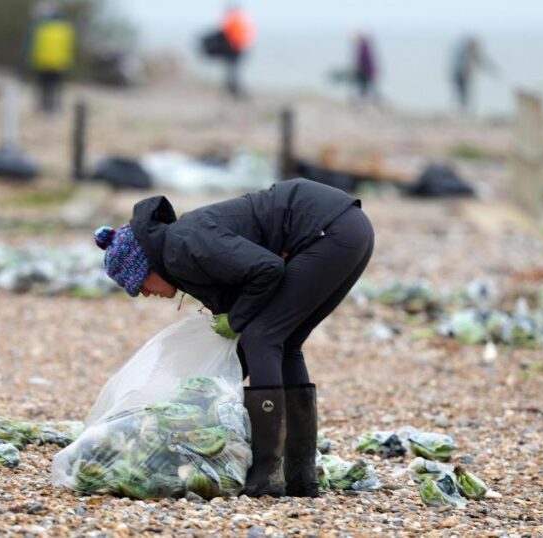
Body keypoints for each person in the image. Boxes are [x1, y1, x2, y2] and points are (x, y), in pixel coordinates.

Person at [94, 178, 374, 498]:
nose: (143, 293)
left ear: (146, 266)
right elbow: (241, 336)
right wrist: (192, 404)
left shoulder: (183, 246)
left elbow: (268, 270)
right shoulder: (178, 256)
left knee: (262, 336)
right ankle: (299, 477)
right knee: (283, 341)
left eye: (138, 285)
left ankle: (267, 473)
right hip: (347, 230)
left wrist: (236, 319)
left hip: (328, 231)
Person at [27, 1, 75, 115]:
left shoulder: (39, 25)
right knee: (53, 87)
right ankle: (52, 108)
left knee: (45, 86)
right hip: (57, 62)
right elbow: (69, 46)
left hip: (44, 61)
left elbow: (32, 44)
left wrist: (29, 58)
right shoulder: (66, 26)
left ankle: (45, 108)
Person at [451, 35, 495, 113]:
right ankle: (462, 110)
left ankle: (463, 109)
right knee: (462, 93)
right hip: (460, 75)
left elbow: (481, 61)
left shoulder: (465, 51)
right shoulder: (464, 52)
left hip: (461, 75)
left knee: (463, 94)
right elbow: (477, 61)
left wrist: (492, 69)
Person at [220, 4, 254, 99]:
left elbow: (227, 34)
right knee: (234, 70)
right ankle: (233, 89)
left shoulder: (233, 20)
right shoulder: (242, 19)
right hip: (240, 48)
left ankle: (233, 89)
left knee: (233, 70)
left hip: (235, 48)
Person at [352, 32, 377, 102]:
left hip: (365, 71)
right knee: (366, 86)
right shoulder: (364, 47)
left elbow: (364, 60)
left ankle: (368, 99)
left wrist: (359, 68)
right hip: (366, 70)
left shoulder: (363, 47)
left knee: (366, 86)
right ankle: (366, 98)